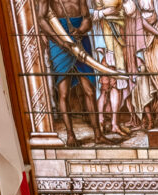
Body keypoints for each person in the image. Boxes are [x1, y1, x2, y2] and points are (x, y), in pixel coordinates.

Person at [37, 0, 109, 146]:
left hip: (80, 40)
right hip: (59, 42)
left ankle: (98, 134)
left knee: (89, 89)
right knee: (63, 92)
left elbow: (87, 19)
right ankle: (70, 136)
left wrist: (81, 30)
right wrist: (60, 41)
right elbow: (41, 19)